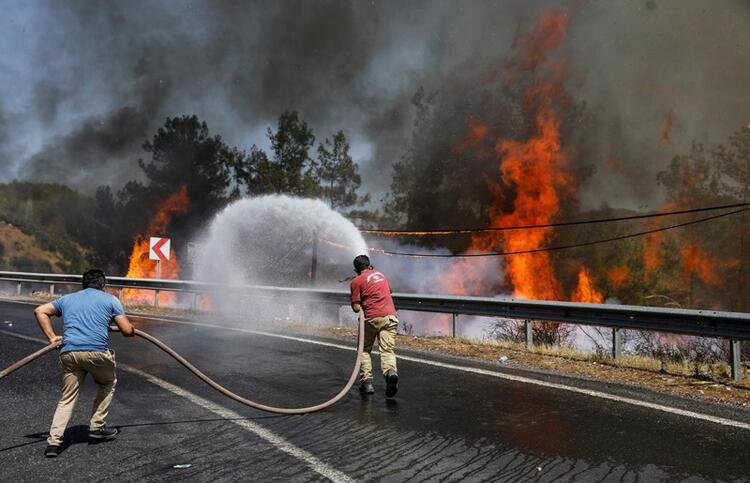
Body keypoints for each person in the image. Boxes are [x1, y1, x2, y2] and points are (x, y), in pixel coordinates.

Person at [34, 268, 134, 458]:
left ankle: (54, 443)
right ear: (103, 285)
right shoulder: (111, 300)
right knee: (107, 382)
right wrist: (131, 328)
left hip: (69, 354)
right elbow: (127, 331)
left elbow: (40, 311)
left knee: (67, 398)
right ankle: (97, 426)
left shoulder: (68, 299)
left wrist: (52, 337)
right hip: (96, 354)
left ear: (84, 285)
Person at [350, 254, 399, 397]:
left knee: (364, 350)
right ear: (369, 265)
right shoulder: (381, 275)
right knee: (387, 350)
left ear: (356, 269)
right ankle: (391, 372)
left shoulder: (356, 281)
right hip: (390, 317)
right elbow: (390, 291)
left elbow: (356, 308)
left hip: (371, 318)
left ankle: (367, 383)